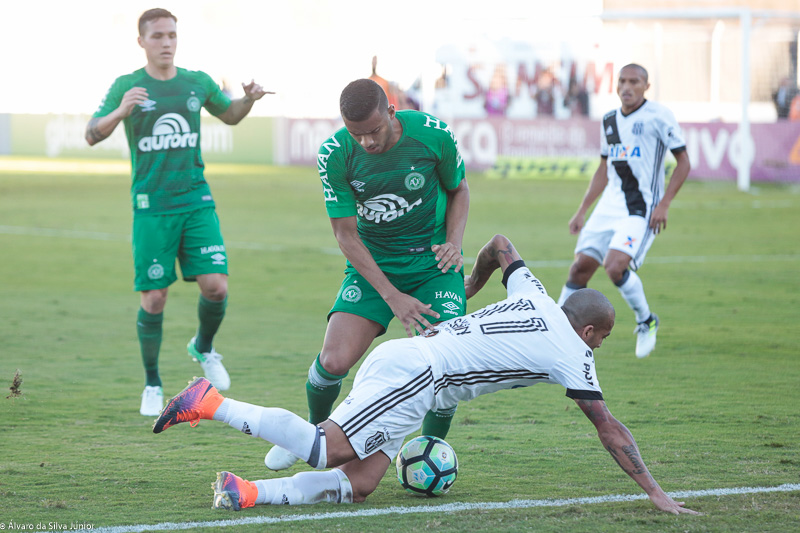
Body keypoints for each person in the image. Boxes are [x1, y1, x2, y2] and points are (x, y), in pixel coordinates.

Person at [152, 234, 699, 516]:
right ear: (590, 331)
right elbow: (608, 426)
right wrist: (655, 492)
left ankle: (248, 492)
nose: (599, 348)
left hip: (414, 368)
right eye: (603, 338)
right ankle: (211, 402)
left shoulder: (535, 293)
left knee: (360, 484)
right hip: (418, 373)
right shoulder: (573, 352)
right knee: (325, 450)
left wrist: (474, 287)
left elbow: (500, 245)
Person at [264, 78, 470, 470]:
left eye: (374, 131)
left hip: (433, 267)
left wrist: (454, 243)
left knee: (445, 365)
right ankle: (312, 435)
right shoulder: (335, 153)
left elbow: (459, 189)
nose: (367, 142)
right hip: (373, 265)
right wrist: (393, 296)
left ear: (391, 111)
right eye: (356, 134)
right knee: (333, 361)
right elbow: (345, 234)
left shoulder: (433, 134)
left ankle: (429, 453)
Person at [85, 8, 272, 416]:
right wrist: (121, 111)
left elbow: (230, 115)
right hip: (151, 208)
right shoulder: (127, 86)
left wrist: (249, 100)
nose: (166, 42)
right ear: (141, 41)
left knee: (216, 287)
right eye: (157, 36)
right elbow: (91, 134)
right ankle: (152, 383)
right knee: (154, 298)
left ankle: (203, 347)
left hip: (195, 200)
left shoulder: (196, 82)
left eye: (171, 35)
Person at [556, 64, 691, 359]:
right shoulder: (609, 120)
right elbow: (604, 169)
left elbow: (684, 162)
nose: (627, 87)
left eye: (634, 81)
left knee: (614, 266)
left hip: (640, 208)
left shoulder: (658, 116)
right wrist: (582, 209)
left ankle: (646, 321)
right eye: (622, 81)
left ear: (646, 86)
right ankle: (556, 329)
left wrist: (664, 203)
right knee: (579, 269)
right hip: (608, 206)